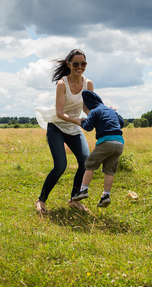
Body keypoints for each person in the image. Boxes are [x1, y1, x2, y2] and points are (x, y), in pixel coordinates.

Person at [34, 49, 93, 213]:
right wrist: (77, 121)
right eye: (76, 64)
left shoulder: (88, 84)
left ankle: (75, 199)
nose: (80, 67)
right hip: (57, 128)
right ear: (69, 64)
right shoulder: (62, 84)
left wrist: (103, 112)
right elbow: (60, 112)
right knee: (60, 166)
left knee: (85, 162)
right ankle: (41, 200)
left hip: (73, 128)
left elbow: (89, 108)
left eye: (83, 64)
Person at [69, 90, 124, 207]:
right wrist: (114, 113)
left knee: (90, 164)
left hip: (106, 142)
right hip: (119, 143)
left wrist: (81, 122)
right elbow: (122, 123)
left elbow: (88, 127)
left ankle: (83, 190)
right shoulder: (110, 110)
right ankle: (106, 196)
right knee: (109, 170)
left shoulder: (94, 111)